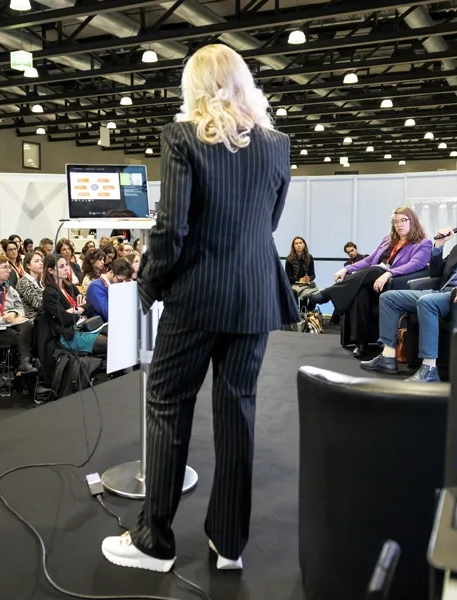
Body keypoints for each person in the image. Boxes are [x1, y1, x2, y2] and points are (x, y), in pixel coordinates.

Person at [100, 44, 298, 573]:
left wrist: (149, 281)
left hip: (195, 296)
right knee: (239, 413)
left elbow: (171, 228)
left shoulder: (182, 136)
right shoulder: (278, 145)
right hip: (255, 294)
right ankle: (229, 544)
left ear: (195, 86)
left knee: (168, 405)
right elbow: (269, 221)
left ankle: (155, 541)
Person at [361, 201, 457, 383]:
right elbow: (436, 272)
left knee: (427, 302)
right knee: (389, 298)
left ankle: (429, 368)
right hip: (440, 292)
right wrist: (438, 246)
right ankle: (387, 357)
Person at [308, 207, 432, 357]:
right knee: (361, 293)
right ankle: (361, 343)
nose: (399, 225)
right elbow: (369, 260)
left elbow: (416, 264)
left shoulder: (423, 243)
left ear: (412, 221)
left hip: (394, 284)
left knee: (376, 270)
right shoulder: (388, 240)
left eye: (403, 220)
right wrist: (346, 269)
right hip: (374, 283)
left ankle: (328, 293)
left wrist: (389, 273)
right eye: (395, 222)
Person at [42, 254, 107, 355]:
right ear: (50, 271)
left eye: (66, 265)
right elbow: (64, 318)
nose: (66, 268)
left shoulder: (69, 286)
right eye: (61, 266)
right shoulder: (49, 293)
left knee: (115, 334)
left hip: (84, 325)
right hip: (69, 334)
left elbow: (89, 306)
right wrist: (81, 309)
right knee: (109, 343)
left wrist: (76, 309)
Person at [85, 258, 134, 322]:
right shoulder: (96, 287)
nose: (121, 283)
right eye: (120, 280)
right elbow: (108, 314)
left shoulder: (113, 285)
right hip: (101, 326)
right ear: (111, 272)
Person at [286, 236, 316, 305]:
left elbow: (313, 275)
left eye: (300, 243)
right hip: (294, 284)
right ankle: (297, 313)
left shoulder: (309, 257)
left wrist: (309, 279)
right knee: (299, 293)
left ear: (304, 244)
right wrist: (301, 280)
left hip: (307, 283)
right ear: (293, 246)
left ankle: (309, 312)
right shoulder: (289, 259)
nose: (298, 245)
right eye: (296, 244)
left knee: (315, 295)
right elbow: (288, 277)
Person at [15, 251, 45, 319]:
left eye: (41, 261)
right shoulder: (23, 282)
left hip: (45, 317)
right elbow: (38, 305)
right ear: (28, 265)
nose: (41, 263)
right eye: (37, 261)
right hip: (33, 320)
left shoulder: (41, 282)